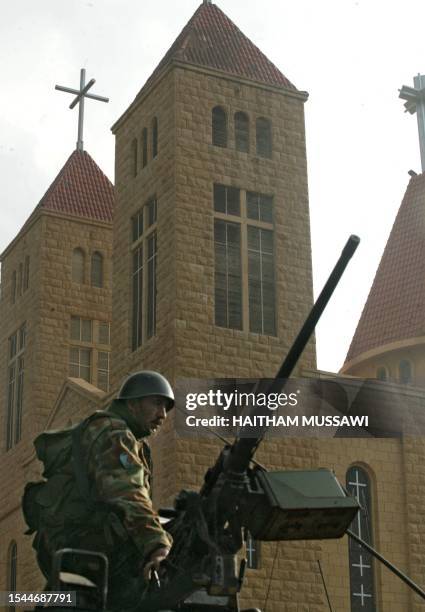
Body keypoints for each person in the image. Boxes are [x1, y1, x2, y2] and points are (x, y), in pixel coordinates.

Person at [28, 370, 174, 609]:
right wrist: (157, 545)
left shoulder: (128, 439)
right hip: (82, 546)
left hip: (76, 546)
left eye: (166, 407)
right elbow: (128, 492)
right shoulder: (113, 433)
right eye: (157, 403)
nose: (163, 415)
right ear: (133, 403)